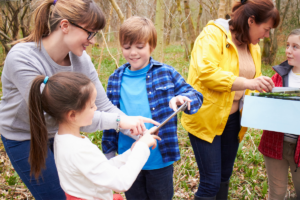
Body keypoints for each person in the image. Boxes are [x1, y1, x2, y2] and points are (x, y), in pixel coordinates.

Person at [0, 0, 159, 199]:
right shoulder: (22, 58)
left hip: (61, 135)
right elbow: (64, 115)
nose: (92, 41)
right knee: (56, 195)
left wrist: (138, 131)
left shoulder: (80, 58)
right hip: (25, 136)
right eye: (89, 33)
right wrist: (119, 122)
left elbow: (102, 106)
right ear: (65, 26)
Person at [180, 0, 280, 199]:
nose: (267, 35)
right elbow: (207, 73)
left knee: (224, 177)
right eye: (266, 29)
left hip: (234, 120)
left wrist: (264, 92)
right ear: (251, 21)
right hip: (206, 118)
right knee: (210, 183)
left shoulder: (254, 47)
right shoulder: (213, 34)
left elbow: (254, 81)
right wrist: (247, 83)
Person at [101, 16, 203, 200]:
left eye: (139, 47)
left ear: (151, 46)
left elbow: (196, 96)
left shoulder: (166, 73)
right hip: (129, 159)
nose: (133, 53)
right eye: (127, 47)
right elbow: (110, 117)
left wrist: (183, 98)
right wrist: (108, 154)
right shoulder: (115, 79)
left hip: (159, 160)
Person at [28, 71, 161, 200]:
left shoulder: (64, 139)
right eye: (91, 106)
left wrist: (132, 151)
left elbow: (101, 168)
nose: (96, 108)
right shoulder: (77, 149)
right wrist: (142, 146)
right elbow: (121, 182)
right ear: (72, 115)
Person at [258, 29, 300, 200]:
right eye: (288, 45)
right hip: (275, 144)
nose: (288, 50)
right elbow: (264, 108)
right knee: (276, 193)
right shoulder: (277, 77)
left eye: (295, 47)